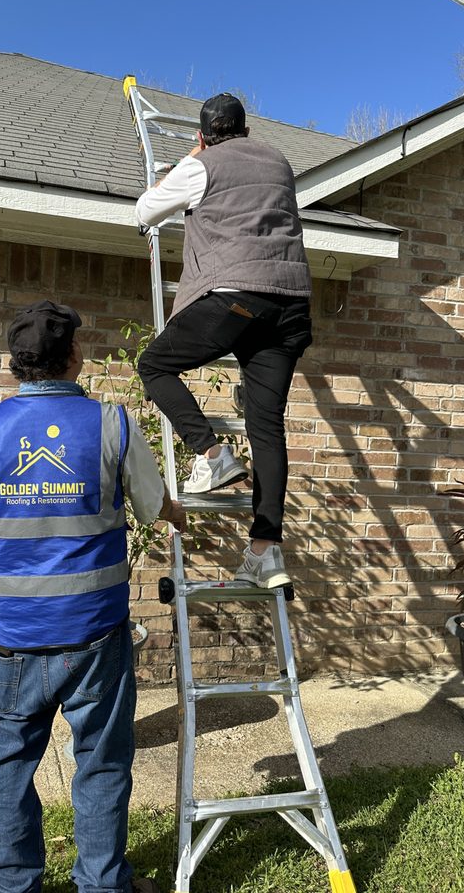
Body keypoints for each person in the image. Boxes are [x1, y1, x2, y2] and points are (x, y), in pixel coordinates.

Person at [0, 299, 183, 893]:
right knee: (100, 762)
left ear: (17, 364)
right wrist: (178, 509)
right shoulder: (111, 424)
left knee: (10, 767)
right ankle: (102, 882)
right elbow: (153, 505)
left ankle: (10, 885)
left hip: (15, 639)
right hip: (95, 638)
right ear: (73, 357)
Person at [135, 93, 312, 591]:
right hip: (291, 304)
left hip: (235, 297)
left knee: (154, 367)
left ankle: (212, 457)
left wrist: (190, 161)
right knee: (267, 428)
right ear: (246, 129)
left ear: (202, 135)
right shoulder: (278, 161)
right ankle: (266, 551)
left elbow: (146, 211)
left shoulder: (202, 165)